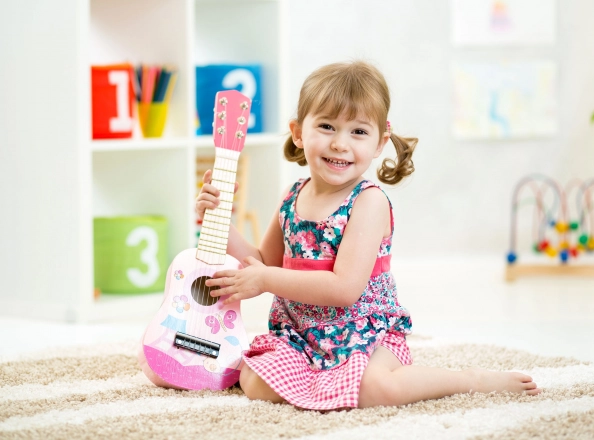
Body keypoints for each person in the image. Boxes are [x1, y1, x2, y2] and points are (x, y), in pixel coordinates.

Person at [195, 61, 541, 410]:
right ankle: (321, 377)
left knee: (379, 391)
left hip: (364, 333)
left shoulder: (368, 202)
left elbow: (344, 290)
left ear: (380, 142)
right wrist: (218, 222)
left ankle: (470, 379)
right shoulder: (292, 195)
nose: (340, 144)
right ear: (299, 132)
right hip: (300, 333)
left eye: (358, 132)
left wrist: (265, 279)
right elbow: (265, 261)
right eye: (327, 126)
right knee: (253, 380)